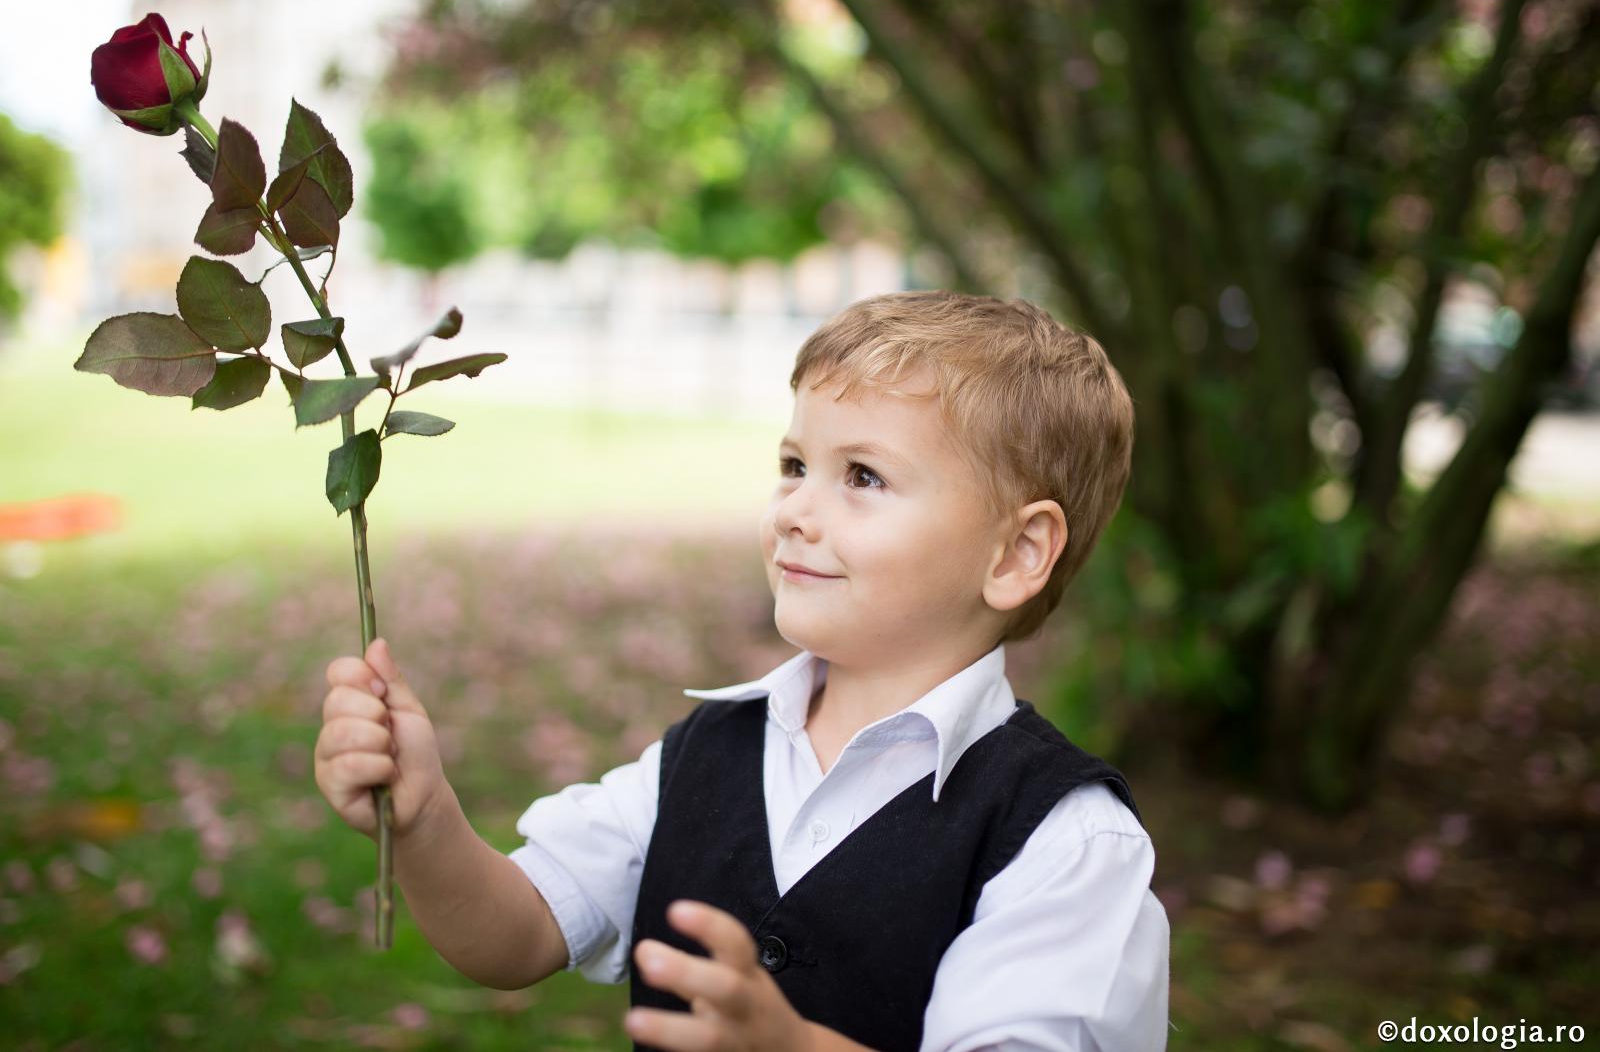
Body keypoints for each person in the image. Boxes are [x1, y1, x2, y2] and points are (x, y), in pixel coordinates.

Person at [314, 290, 1170, 1051]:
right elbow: (517, 932)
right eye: (794, 466)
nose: (795, 509)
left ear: (1017, 553)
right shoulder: (703, 752)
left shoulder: (1066, 841)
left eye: (863, 476)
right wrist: (425, 818)